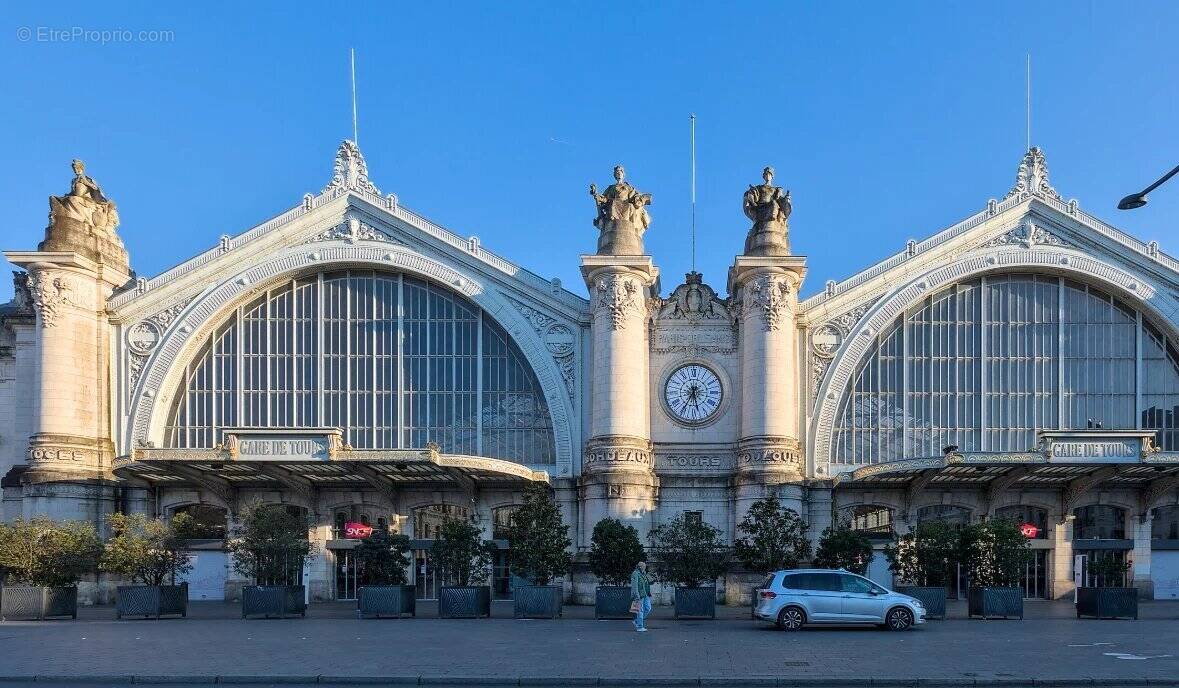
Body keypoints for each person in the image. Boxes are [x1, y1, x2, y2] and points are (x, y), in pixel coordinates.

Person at [630, 560, 652, 632]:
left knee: (648, 608)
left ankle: (636, 621)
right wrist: (636, 595)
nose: (644, 567)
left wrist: (648, 575)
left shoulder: (644, 573)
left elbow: (650, 582)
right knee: (640, 610)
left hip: (646, 594)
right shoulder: (635, 573)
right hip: (639, 594)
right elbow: (634, 586)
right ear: (640, 567)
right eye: (643, 566)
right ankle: (640, 626)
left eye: (645, 566)